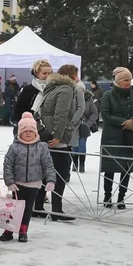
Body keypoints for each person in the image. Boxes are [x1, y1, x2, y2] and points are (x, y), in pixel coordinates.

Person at [34, 64, 80, 222]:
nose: (78, 78)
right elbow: (62, 113)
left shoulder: (52, 86)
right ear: (71, 76)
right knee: (61, 173)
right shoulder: (66, 89)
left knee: (44, 172)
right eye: (76, 74)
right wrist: (59, 135)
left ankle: (37, 206)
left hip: (46, 135)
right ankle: (57, 209)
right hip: (57, 138)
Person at [2, 113, 57, 242]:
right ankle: (9, 229)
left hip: (34, 184)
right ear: (19, 132)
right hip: (17, 184)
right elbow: (8, 164)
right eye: (25, 131)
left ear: (36, 132)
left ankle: (23, 229)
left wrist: (50, 180)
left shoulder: (41, 147)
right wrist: (9, 181)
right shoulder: (14, 147)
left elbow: (48, 164)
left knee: (27, 209)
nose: (28, 133)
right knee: (13, 208)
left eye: (30, 131)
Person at [100, 67, 133, 209]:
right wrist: (123, 122)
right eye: (125, 80)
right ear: (118, 81)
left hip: (130, 137)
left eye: (129, 79)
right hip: (112, 136)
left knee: (126, 168)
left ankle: (121, 197)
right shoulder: (108, 95)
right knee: (110, 168)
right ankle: (107, 196)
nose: (128, 82)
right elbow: (105, 114)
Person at [72, 84, 98, 173]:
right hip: (73, 126)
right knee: (74, 146)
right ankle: (74, 164)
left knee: (82, 145)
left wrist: (88, 124)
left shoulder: (89, 100)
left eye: (81, 90)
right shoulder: (71, 99)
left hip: (84, 126)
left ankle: (82, 165)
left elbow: (94, 113)